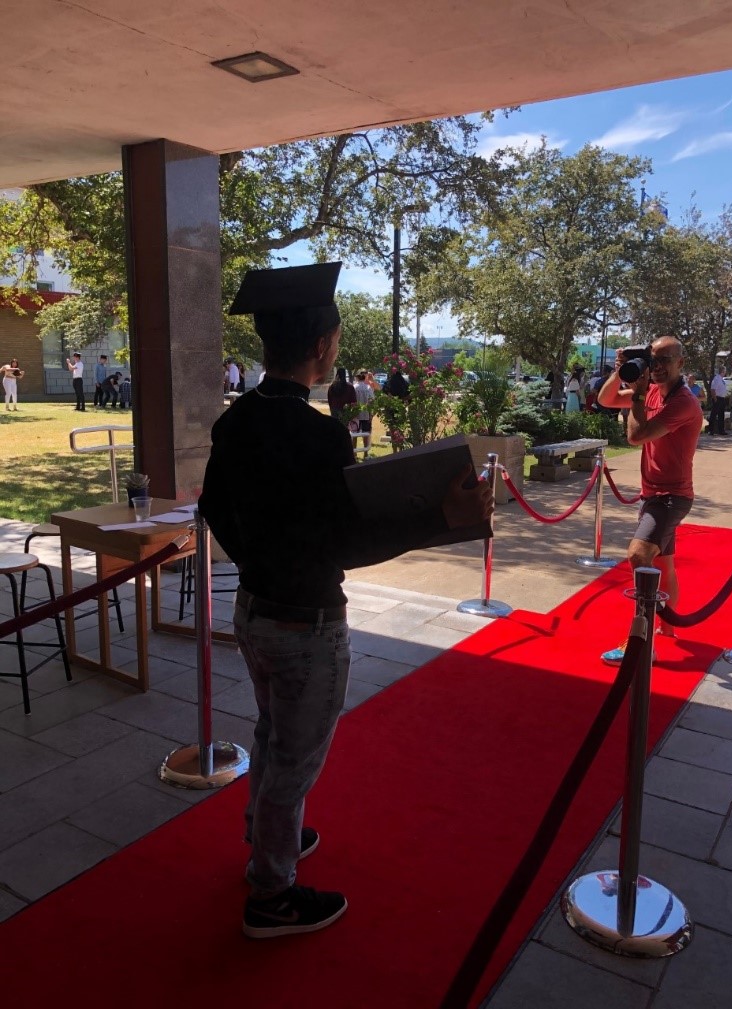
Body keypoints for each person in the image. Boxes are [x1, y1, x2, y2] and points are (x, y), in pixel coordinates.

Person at [198, 261, 493, 939]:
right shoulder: (318, 434)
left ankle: (268, 832)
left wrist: (258, 558)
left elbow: (214, 504)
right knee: (293, 759)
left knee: (272, 733)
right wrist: (437, 518)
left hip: (253, 608)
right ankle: (270, 893)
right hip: (306, 622)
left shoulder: (235, 421)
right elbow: (346, 543)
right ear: (323, 347)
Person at [597, 336, 703, 662]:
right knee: (664, 562)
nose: (656, 367)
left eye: (664, 360)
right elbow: (606, 399)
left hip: (671, 497)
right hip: (652, 493)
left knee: (639, 555)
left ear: (680, 364)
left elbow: (635, 436)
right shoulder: (652, 391)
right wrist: (621, 371)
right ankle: (668, 628)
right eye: (652, 359)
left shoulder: (683, 402)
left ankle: (640, 642)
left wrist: (640, 394)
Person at [353, 370, 374, 450]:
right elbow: (372, 401)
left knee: (354, 434)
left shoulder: (354, 387)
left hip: (356, 415)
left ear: (357, 378)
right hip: (366, 414)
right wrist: (371, 414)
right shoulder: (368, 388)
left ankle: (354, 453)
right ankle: (366, 453)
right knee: (365, 434)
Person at [709, 366, 728, 436]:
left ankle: (721, 430)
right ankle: (711, 430)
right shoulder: (716, 378)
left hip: (722, 398)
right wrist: (715, 399)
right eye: (724, 370)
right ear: (722, 371)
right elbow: (712, 389)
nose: (725, 372)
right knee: (713, 415)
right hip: (717, 398)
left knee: (721, 415)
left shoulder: (721, 379)